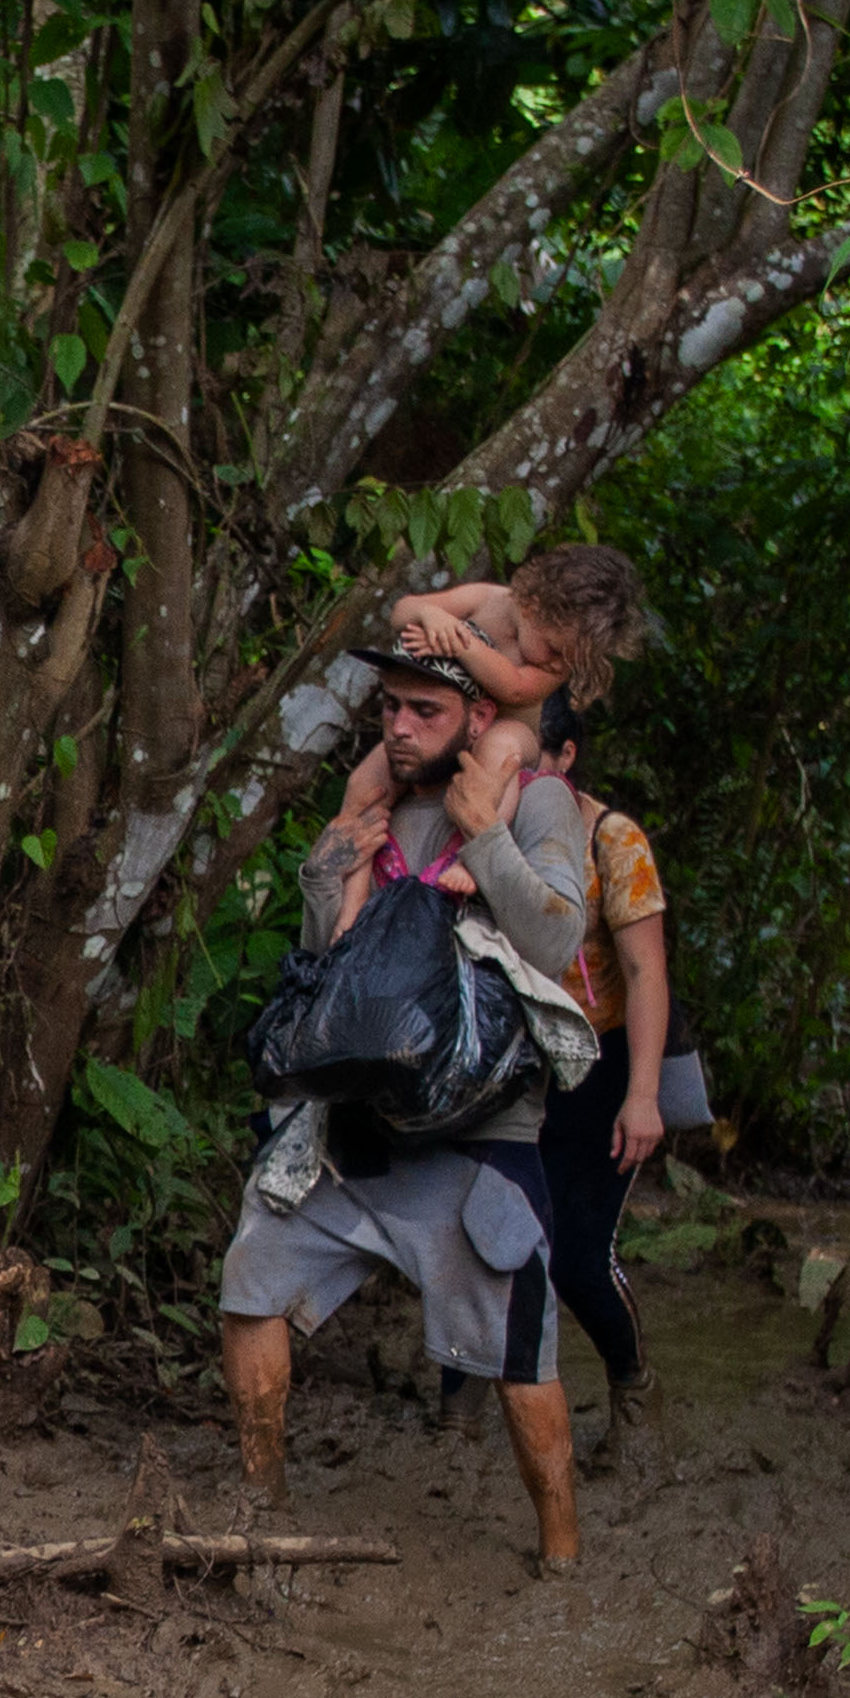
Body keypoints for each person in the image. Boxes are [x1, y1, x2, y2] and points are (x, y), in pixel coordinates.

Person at [220, 643, 600, 1570]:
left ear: (479, 718)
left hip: (480, 1135)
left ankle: (561, 1560)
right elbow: (327, 967)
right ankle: (262, 1510)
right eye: (389, 706)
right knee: (252, 1277)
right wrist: (329, 868)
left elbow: (556, 941)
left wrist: (485, 840)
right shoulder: (379, 804)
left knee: (519, 1355)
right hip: (356, 1124)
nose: (398, 726)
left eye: (424, 710)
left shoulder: (535, 800)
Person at [535, 785, 675, 1465]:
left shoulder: (612, 841)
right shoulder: (488, 821)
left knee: (579, 1257)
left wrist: (642, 1096)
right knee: (492, 1237)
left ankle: (635, 1392)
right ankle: (459, 1418)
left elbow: (647, 970)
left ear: (564, 759)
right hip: (523, 1062)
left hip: (602, 1061)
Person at [385, 539, 653, 830]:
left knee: (501, 749)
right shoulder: (488, 599)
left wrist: (459, 642)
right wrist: (429, 614)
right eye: (554, 650)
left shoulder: (553, 667)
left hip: (510, 730)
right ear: (534, 606)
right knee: (374, 773)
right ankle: (355, 833)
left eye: (570, 661)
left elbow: (514, 689)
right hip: (453, 727)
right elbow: (401, 611)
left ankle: (479, 834)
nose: (558, 664)